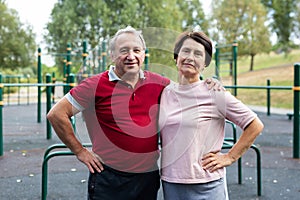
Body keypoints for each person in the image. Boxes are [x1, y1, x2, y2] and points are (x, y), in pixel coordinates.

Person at [47, 26, 222, 200]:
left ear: (143, 54)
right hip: (109, 178)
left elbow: (188, 89)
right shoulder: (94, 85)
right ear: (112, 55)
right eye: (124, 51)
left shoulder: (160, 83)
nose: (131, 56)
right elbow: (56, 114)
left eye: (136, 50)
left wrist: (210, 82)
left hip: (146, 178)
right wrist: (80, 151)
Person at [158, 31, 264, 200]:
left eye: (198, 54)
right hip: (172, 183)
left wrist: (229, 157)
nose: (190, 58)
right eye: (186, 51)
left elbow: (255, 125)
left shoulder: (214, 93)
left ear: (205, 63)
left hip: (207, 184)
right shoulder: (165, 93)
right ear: (176, 56)